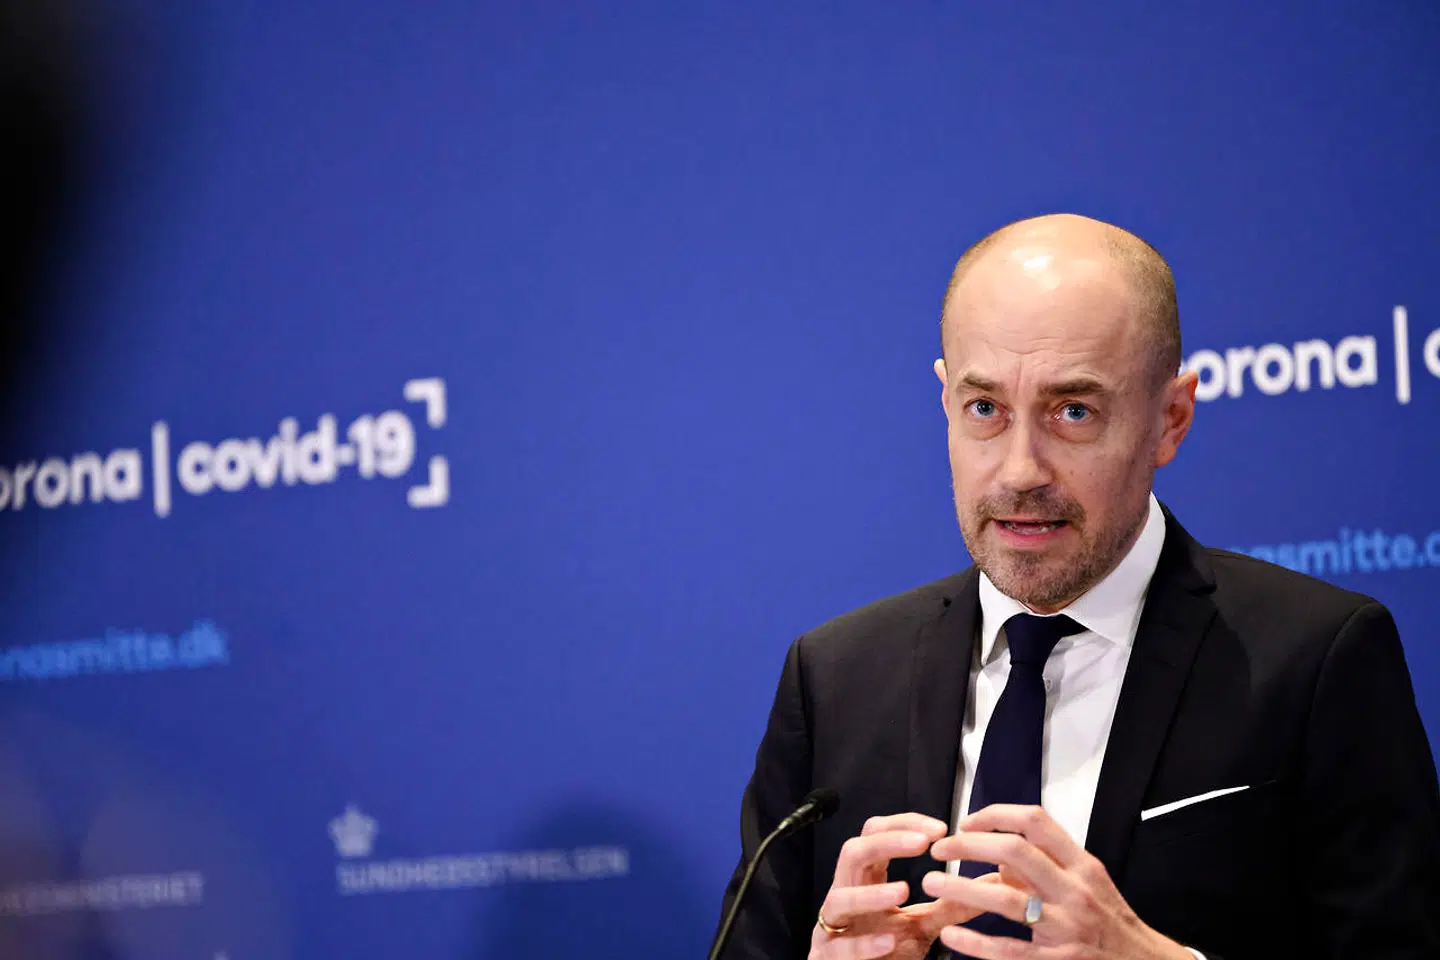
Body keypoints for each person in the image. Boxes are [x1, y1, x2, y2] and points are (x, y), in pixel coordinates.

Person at [716, 214, 1440, 959]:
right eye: (985, 409)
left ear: (1171, 419)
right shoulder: (835, 679)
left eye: (1073, 412)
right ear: (946, 403)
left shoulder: (1315, 660)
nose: (1020, 470)